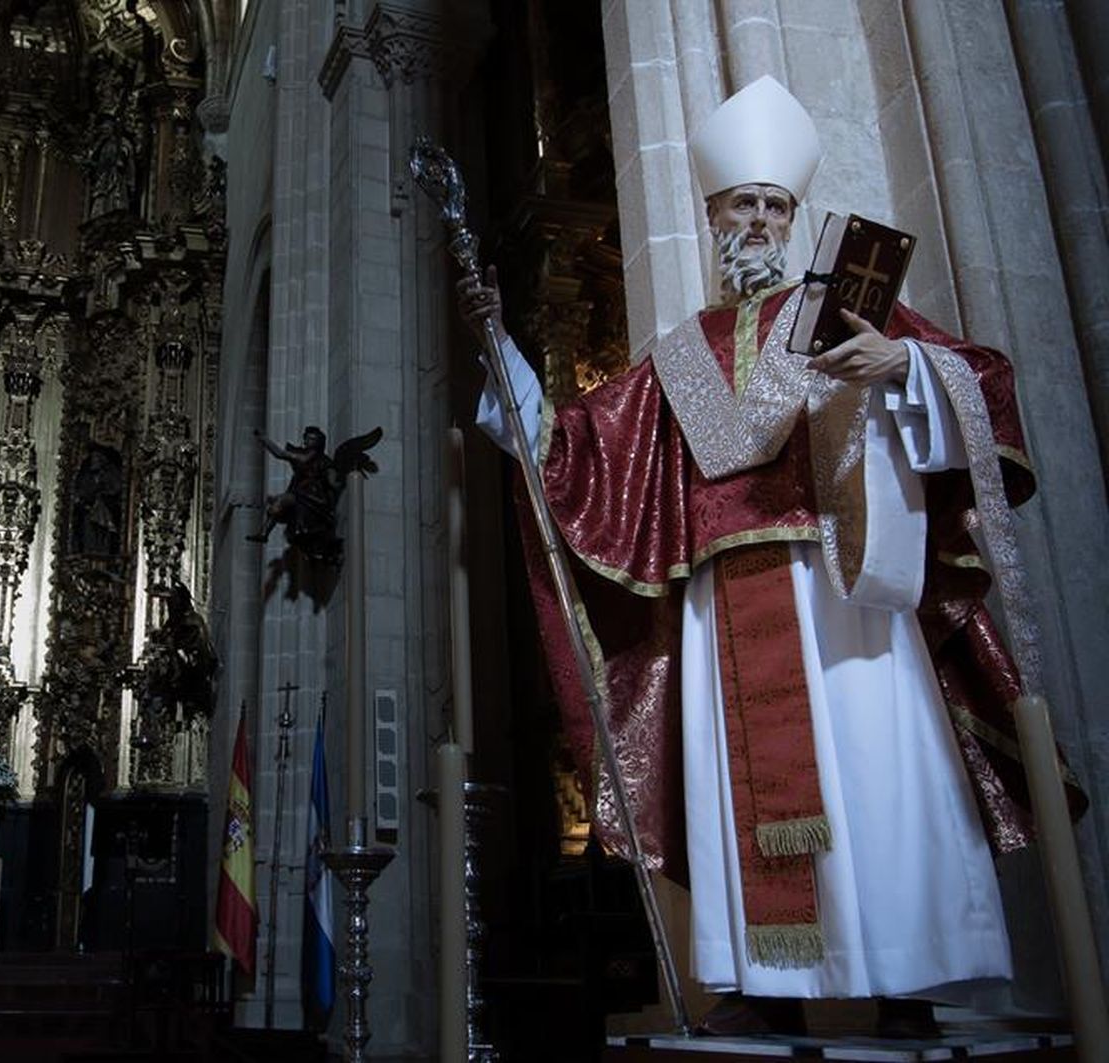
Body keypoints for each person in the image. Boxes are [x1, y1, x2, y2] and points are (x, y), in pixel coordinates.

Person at [460, 76, 1075, 1037]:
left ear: (794, 216)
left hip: (844, 585)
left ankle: (907, 973)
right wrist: (507, 364)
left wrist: (901, 365)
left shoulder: (847, 314)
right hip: (722, 607)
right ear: (710, 216)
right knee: (740, 780)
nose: (756, 218)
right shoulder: (680, 353)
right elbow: (580, 450)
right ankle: (764, 974)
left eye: (773, 204)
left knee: (877, 764)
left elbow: (985, 377)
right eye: (740, 203)